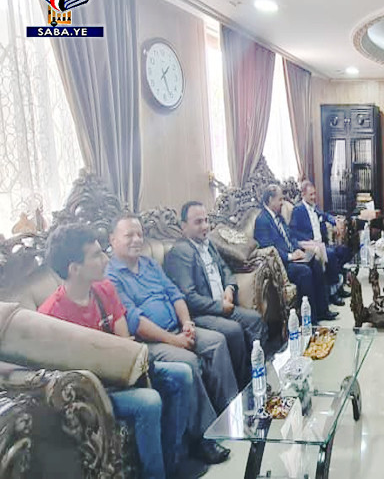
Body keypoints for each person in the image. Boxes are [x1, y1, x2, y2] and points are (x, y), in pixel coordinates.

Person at [38, 224, 226, 477]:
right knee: (149, 401)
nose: (105, 260)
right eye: (96, 255)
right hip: (93, 392)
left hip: (119, 372)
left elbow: (124, 342)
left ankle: (174, 462)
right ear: (74, 269)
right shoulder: (51, 315)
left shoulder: (104, 289)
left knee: (182, 373)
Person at [106, 214, 238, 467]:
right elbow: (135, 321)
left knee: (217, 341)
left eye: (139, 234)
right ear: (112, 240)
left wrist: (187, 324)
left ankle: (232, 413)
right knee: (188, 361)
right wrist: (174, 341)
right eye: (129, 235)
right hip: (150, 344)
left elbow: (175, 294)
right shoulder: (111, 278)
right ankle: (202, 439)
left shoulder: (149, 264)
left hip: (177, 328)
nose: (136, 240)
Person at [164, 201, 267, 388]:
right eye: (198, 222)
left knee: (255, 320)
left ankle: (257, 373)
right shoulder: (181, 252)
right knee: (233, 330)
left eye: (206, 220)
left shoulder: (207, 243)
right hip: (202, 313)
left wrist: (229, 288)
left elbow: (225, 269)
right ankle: (243, 387)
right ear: (184, 226)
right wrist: (220, 306)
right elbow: (189, 297)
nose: (205, 226)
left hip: (223, 305)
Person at [254, 184, 338, 321]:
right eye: (280, 199)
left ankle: (323, 310)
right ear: (270, 200)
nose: (282, 203)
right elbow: (268, 249)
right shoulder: (262, 220)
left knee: (315, 262)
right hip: (281, 264)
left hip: (293, 256)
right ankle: (311, 319)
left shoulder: (278, 217)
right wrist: (290, 256)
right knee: (305, 272)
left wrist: (297, 249)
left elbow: (290, 237)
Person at [289, 181, 353, 307]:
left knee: (344, 251)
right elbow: (293, 232)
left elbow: (325, 215)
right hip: (311, 246)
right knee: (332, 255)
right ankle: (334, 293)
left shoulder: (314, 206)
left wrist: (334, 221)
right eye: (311, 195)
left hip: (322, 243)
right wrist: (309, 241)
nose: (314, 197)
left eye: (314, 194)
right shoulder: (298, 210)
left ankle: (336, 284)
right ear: (303, 195)